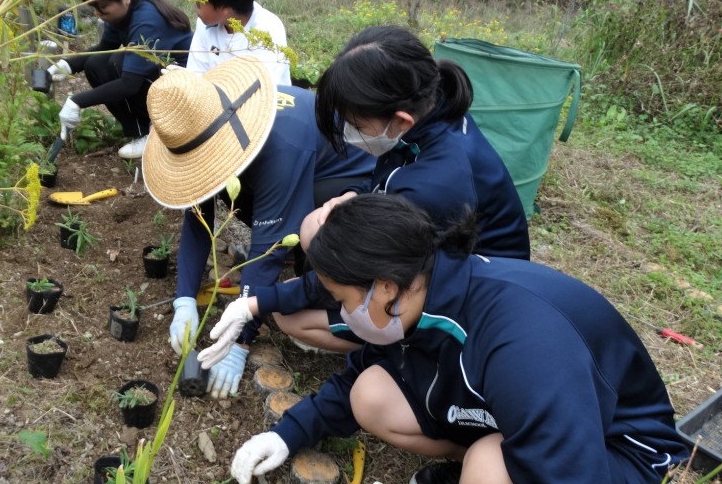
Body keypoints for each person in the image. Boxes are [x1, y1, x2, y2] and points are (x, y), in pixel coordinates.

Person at [230, 193, 687, 484]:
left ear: (385, 288)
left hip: (617, 451)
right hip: (534, 418)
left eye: (341, 298)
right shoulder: (422, 288)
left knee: (487, 482)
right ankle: (485, 474)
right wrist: (288, 435)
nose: (342, 313)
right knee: (370, 395)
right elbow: (360, 372)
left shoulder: (522, 347)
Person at [197, 25, 529, 362]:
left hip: (473, 301)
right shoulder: (427, 112)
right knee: (317, 225)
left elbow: (361, 263)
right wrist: (354, 194)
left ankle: (403, 354)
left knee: (291, 317)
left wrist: (257, 303)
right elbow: (385, 183)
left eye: (355, 122)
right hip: (437, 254)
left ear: (399, 120)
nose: (348, 131)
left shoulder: (435, 184)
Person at [141, 58, 374, 399]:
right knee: (247, 199)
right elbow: (199, 216)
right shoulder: (210, 121)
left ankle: (339, 307)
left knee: (313, 237)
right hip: (296, 169)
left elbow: (269, 250)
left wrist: (239, 341)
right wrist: (184, 299)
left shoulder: (280, 147)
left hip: (352, 186)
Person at [50, 0, 193, 160]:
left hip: (182, 94)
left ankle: (155, 133)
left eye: (102, 8)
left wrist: (77, 102)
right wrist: (67, 65)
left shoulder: (147, 20)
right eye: (94, 8)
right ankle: (140, 132)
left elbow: (130, 83)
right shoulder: (122, 12)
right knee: (95, 65)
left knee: (118, 62)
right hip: (156, 80)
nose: (98, 14)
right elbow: (105, 47)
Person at [185, 0, 291, 86]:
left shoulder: (269, 31)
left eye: (199, 2)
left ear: (225, 9)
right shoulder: (205, 26)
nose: (195, 6)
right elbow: (195, 79)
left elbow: (262, 92)